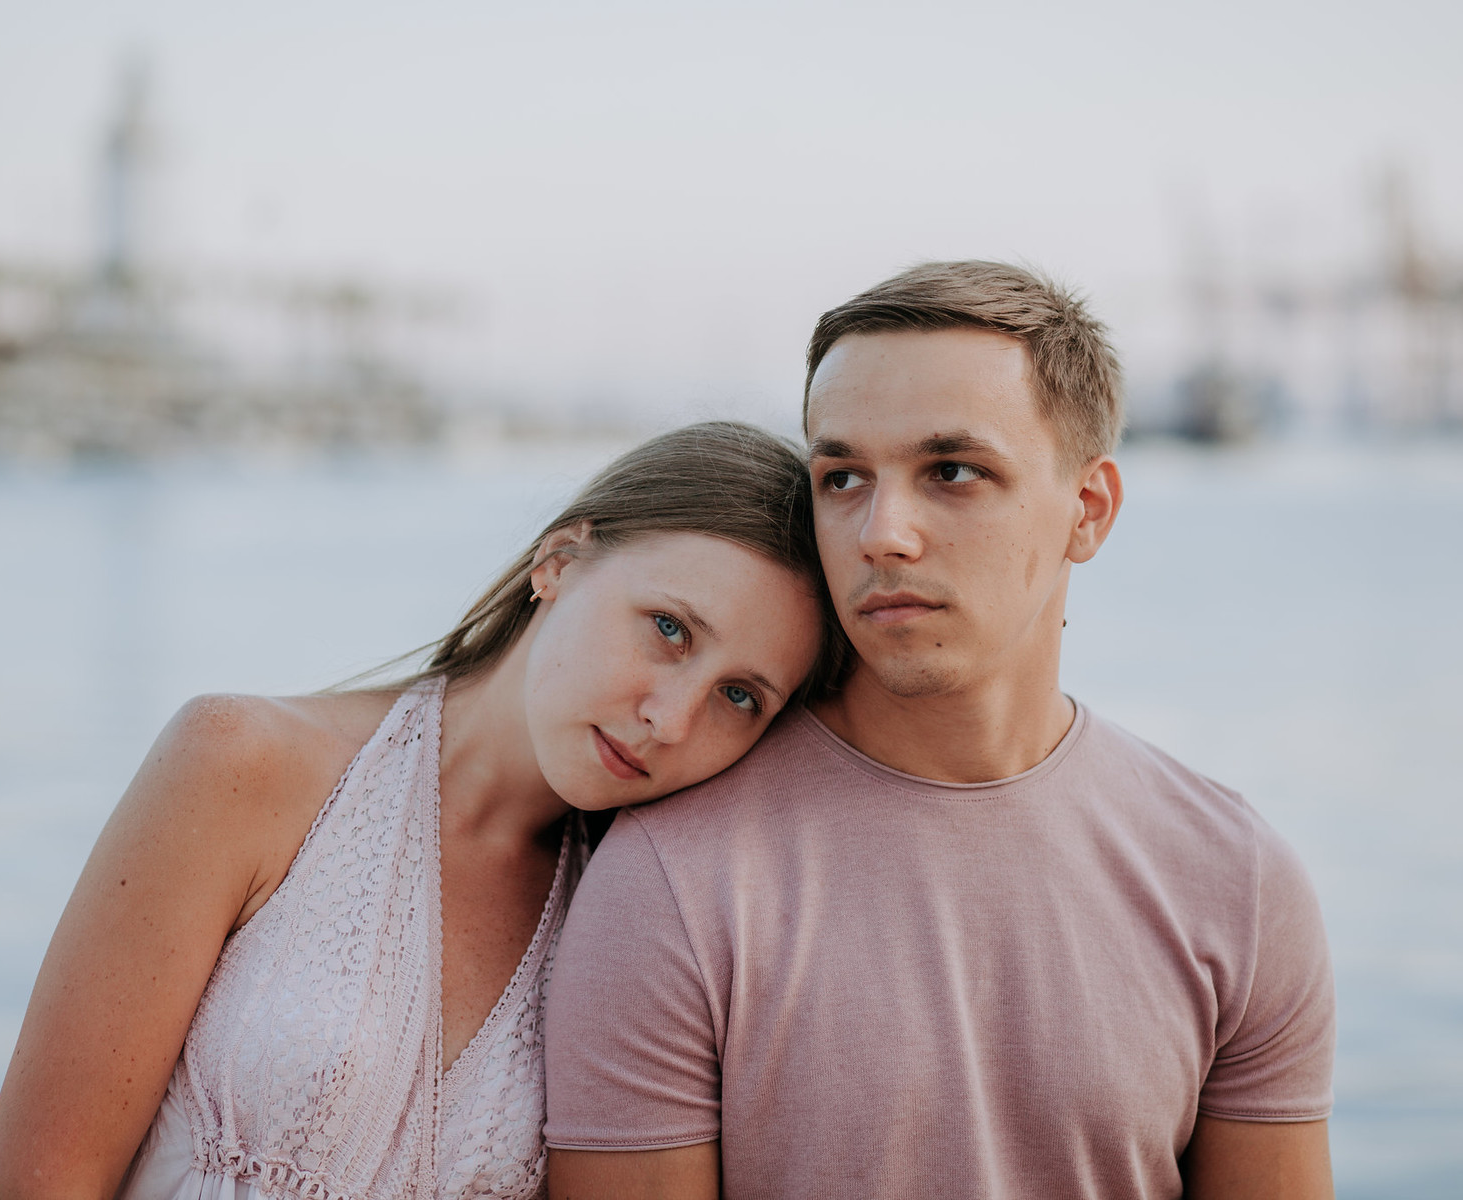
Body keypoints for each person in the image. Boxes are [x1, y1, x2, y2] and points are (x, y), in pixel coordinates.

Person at [544, 263, 1338, 1200]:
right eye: (843, 477)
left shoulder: (1235, 880)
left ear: (1088, 510)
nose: (884, 533)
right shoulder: (672, 881)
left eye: (951, 472)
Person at [0, 421, 838, 1200]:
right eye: (669, 628)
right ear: (559, 565)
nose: (672, 718)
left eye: (739, 696)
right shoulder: (243, 764)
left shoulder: (633, 925)